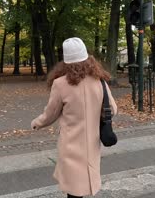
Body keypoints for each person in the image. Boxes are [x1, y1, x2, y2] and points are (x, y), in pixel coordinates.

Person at [31, 37, 118, 198]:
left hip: (70, 143)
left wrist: (37, 123)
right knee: (84, 181)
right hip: (91, 142)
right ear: (87, 58)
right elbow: (112, 109)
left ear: (66, 61)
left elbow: (50, 114)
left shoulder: (60, 84)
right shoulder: (100, 82)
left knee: (73, 189)